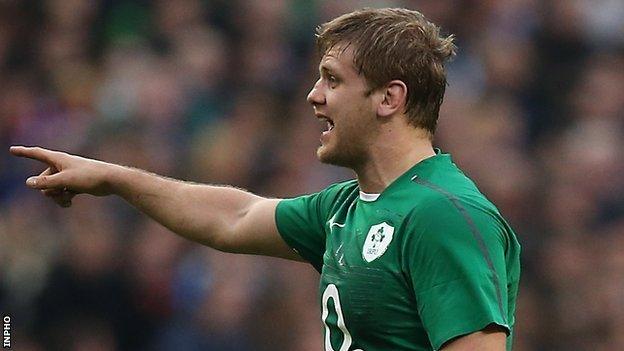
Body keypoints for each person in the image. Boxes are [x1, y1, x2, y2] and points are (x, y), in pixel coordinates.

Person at [10, 8, 520, 351]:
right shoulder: (349, 207)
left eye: (333, 80)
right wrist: (114, 178)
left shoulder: (442, 215)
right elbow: (235, 217)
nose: (313, 96)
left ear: (390, 98)